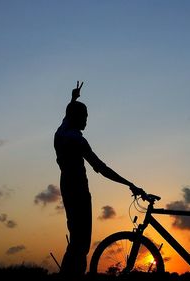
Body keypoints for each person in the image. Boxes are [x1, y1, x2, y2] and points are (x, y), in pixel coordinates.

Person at [54, 81, 142, 276]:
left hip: (66, 187)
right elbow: (101, 167)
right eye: (84, 116)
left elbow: (66, 116)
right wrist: (130, 184)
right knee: (81, 243)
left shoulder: (60, 133)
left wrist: (73, 99)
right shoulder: (77, 140)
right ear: (76, 117)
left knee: (75, 238)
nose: (86, 120)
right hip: (78, 190)